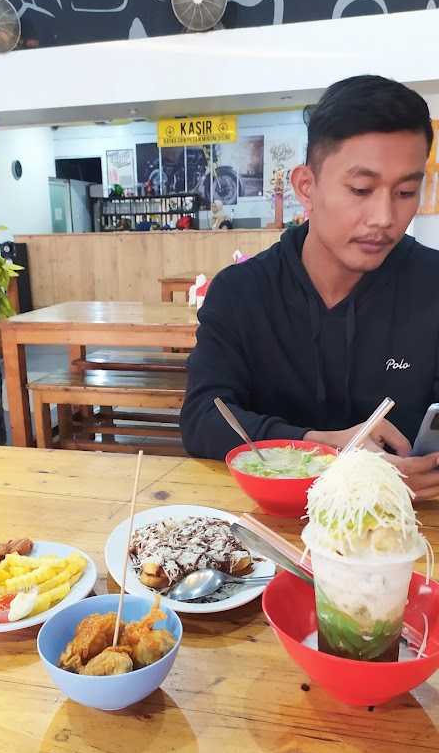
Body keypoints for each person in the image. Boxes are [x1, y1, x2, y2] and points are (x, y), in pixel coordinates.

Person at [180, 75, 439, 499]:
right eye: (361, 189)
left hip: (405, 533)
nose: (384, 216)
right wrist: (322, 445)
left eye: (406, 191)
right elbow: (201, 419)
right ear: (306, 186)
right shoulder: (241, 293)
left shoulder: (432, 286)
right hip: (266, 526)